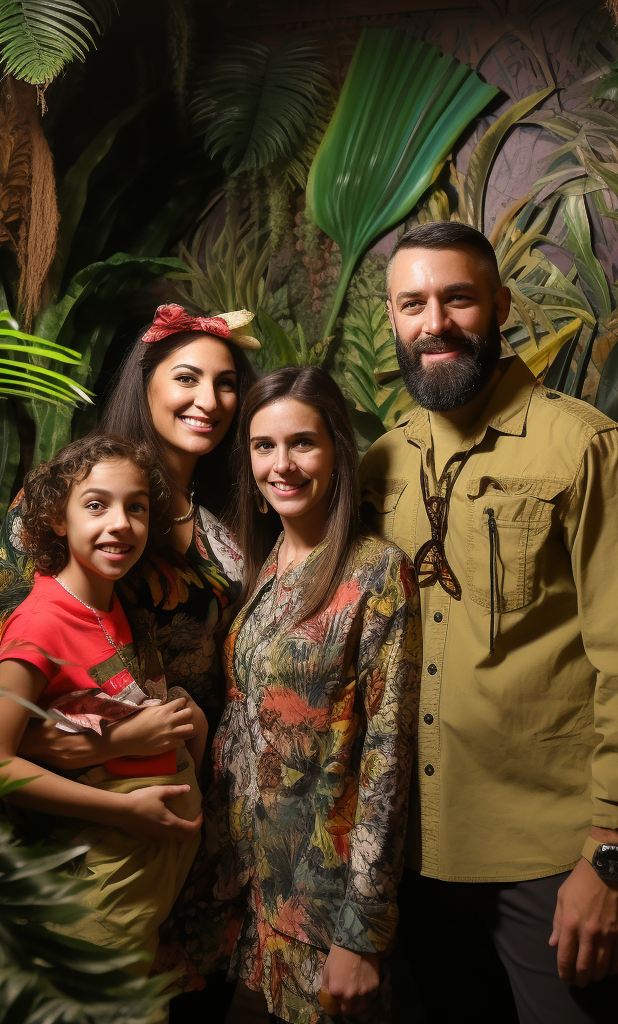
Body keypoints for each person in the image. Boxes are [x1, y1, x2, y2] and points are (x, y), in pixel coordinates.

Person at [358, 221, 618, 1024]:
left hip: (554, 864)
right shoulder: (380, 462)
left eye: (457, 297)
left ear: (500, 306)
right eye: (412, 303)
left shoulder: (586, 449)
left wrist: (610, 858)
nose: (433, 321)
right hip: (413, 859)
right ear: (395, 320)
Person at [0, 304, 260, 1021]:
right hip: (91, 838)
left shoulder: (240, 507)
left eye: (226, 385)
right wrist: (112, 745)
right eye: (186, 377)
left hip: (195, 833)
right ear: (145, 380)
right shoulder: (68, 495)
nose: (207, 400)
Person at [213, 366, 422, 1024]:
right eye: (263, 446)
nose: (282, 464)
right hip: (248, 900)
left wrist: (360, 935)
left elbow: (387, 763)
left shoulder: (376, 573)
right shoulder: (266, 562)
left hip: (322, 910)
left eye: (302, 443)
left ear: (336, 449)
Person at [0, 434, 206, 968]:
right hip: (96, 901)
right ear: (59, 518)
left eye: (137, 506)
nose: (121, 523)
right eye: (97, 504)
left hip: (142, 895)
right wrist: (123, 809)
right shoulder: (42, 620)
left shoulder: (116, 606)